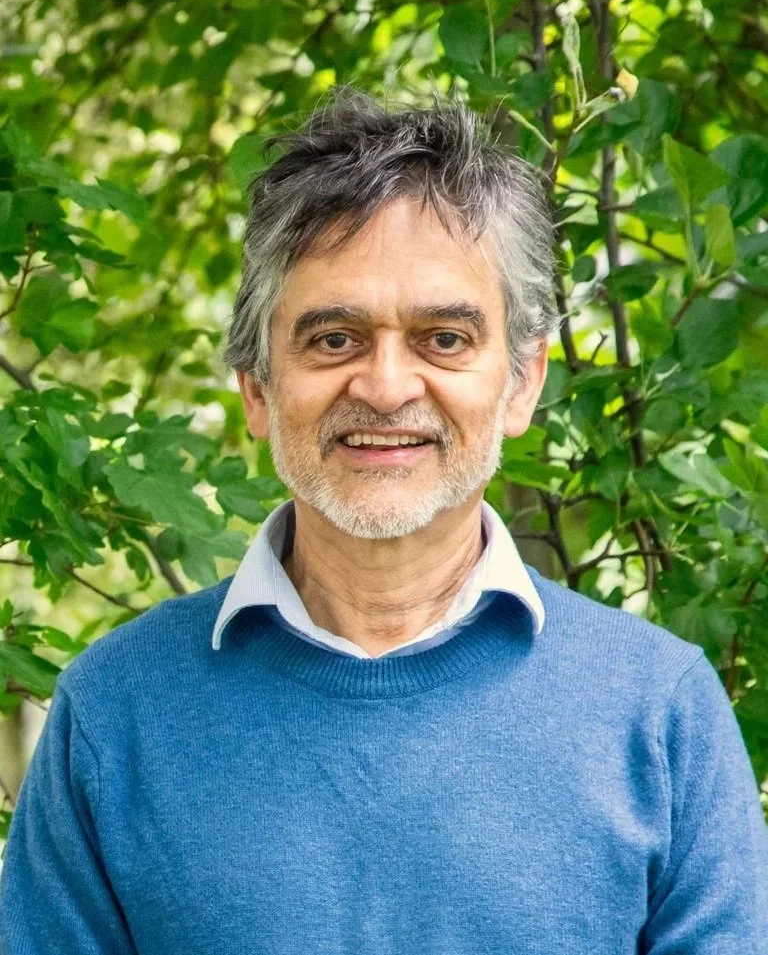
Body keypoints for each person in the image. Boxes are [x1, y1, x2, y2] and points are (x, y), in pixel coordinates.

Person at [1, 90, 766, 954]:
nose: (387, 385)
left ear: (521, 381)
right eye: (334, 339)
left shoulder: (662, 715)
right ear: (256, 385)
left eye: (444, 337)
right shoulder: (115, 711)